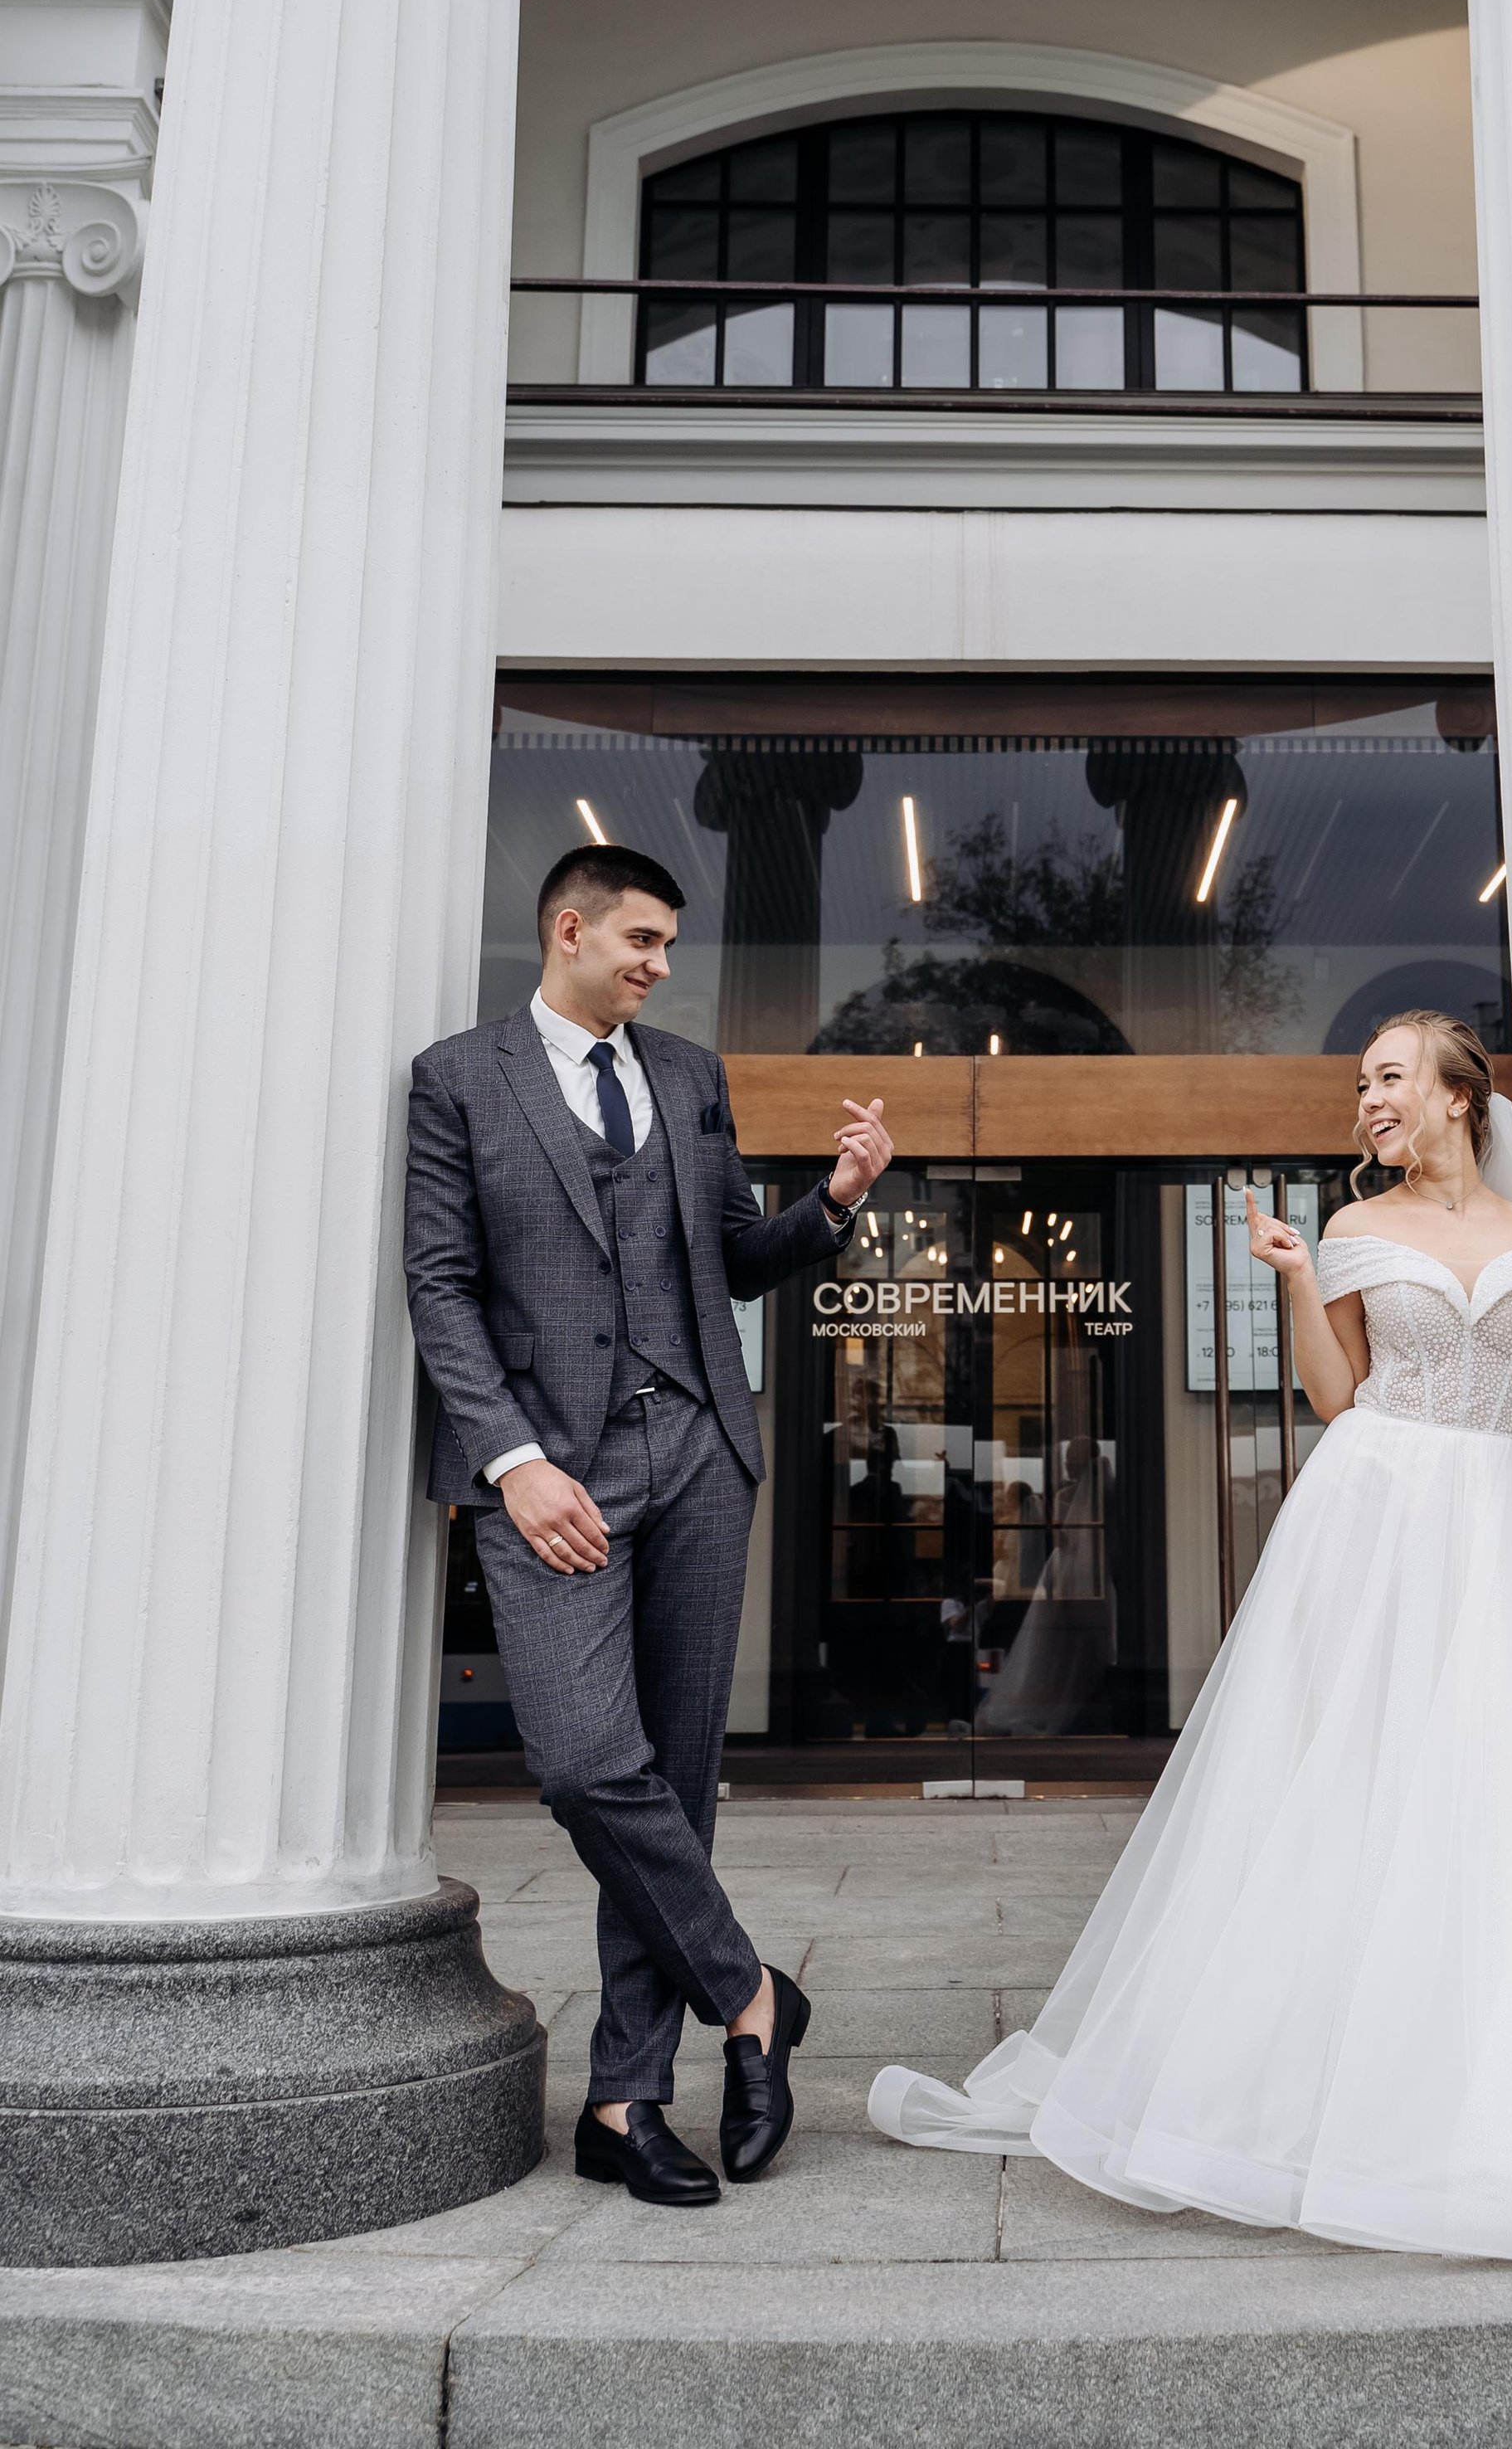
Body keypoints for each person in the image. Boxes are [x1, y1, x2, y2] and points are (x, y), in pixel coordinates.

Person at [868, 1009, 1512, 2265]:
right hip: (1374, 1514)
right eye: (1361, 1082)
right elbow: (1333, 1395)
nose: (1367, 1099)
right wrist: (1300, 1279)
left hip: (1501, 1518)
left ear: (1459, 1097)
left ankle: (1464, 2064)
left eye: (1388, 1078)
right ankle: (1305, 2070)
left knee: (1499, 1785)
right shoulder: (1358, 1228)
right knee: (1351, 1779)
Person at [404, 843, 892, 2208]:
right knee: (580, 1762)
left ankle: (626, 2099)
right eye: (642, 942)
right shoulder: (457, 1080)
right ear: (568, 929)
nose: (662, 967)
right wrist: (512, 1462)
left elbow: (729, 1260)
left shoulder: (685, 1076)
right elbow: (439, 1289)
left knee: (673, 1780)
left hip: (696, 1456)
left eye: (669, 946)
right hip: (550, 1474)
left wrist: (837, 1203)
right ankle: (749, 1994)